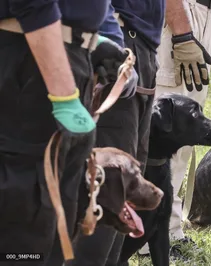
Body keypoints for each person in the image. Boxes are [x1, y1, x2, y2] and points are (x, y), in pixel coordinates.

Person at [0, 1, 116, 265]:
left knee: (56, 224)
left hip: (62, 57)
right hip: (32, 63)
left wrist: (90, 39)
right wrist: (63, 94)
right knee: (22, 233)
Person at [66, 1, 164, 265]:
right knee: (106, 187)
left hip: (142, 49)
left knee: (126, 189)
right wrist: (113, 45)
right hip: (117, 46)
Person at [136, 0, 211, 260]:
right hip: (179, 15)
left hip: (200, 14)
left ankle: (170, 229)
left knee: (186, 139)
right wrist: (182, 31)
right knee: (168, 133)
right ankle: (147, 236)